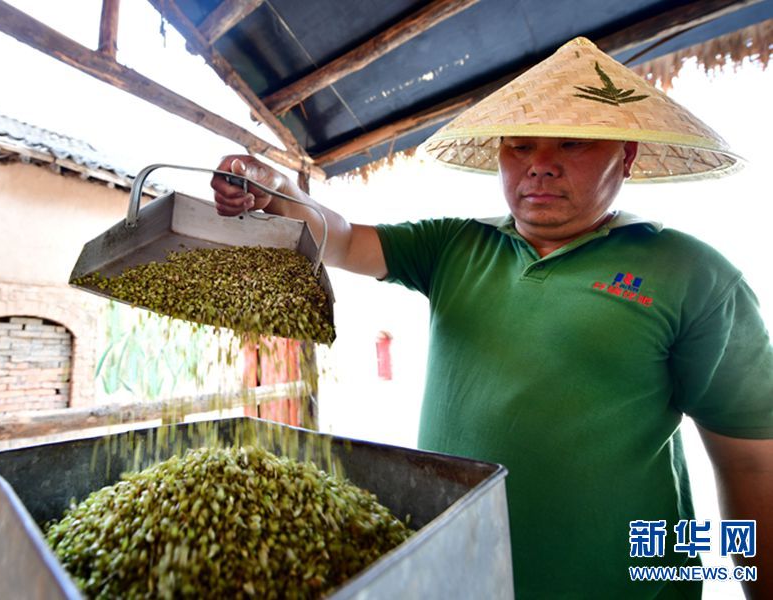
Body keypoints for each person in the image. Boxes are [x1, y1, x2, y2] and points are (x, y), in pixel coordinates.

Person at [211, 38, 773, 598]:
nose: (541, 167)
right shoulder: (455, 245)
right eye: (520, 146)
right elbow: (343, 239)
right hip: (459, 578)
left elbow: (752, 467)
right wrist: (280, 193)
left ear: (625, 157)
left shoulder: (691, 273)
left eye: (572, 143)